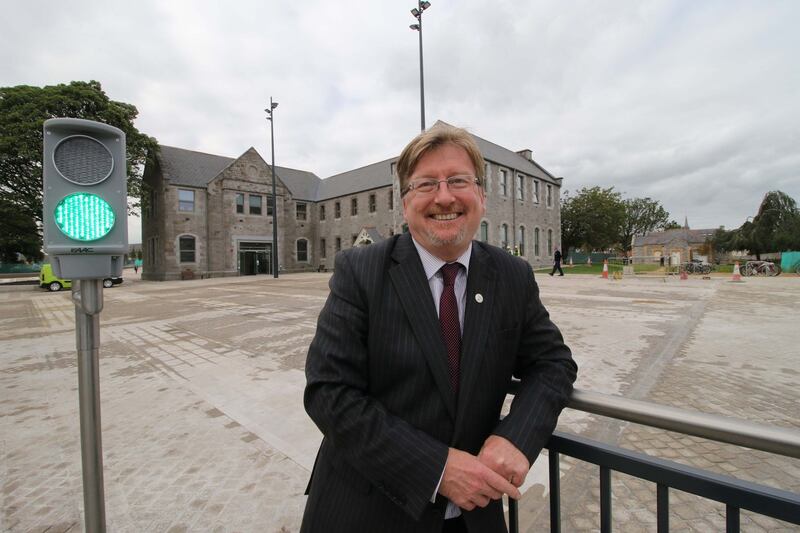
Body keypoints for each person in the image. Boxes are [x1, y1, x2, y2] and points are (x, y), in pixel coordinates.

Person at [302, 124, 577, 533]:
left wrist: (516, 436)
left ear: (481, 196)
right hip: (368, 511)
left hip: (473, 518)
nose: (444, 197)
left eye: (459, 181)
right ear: (405, 202)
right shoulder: (360, 270)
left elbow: (553, 363)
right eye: (426, 183)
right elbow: (328, 391)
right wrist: (437, 469)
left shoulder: (511, 276)